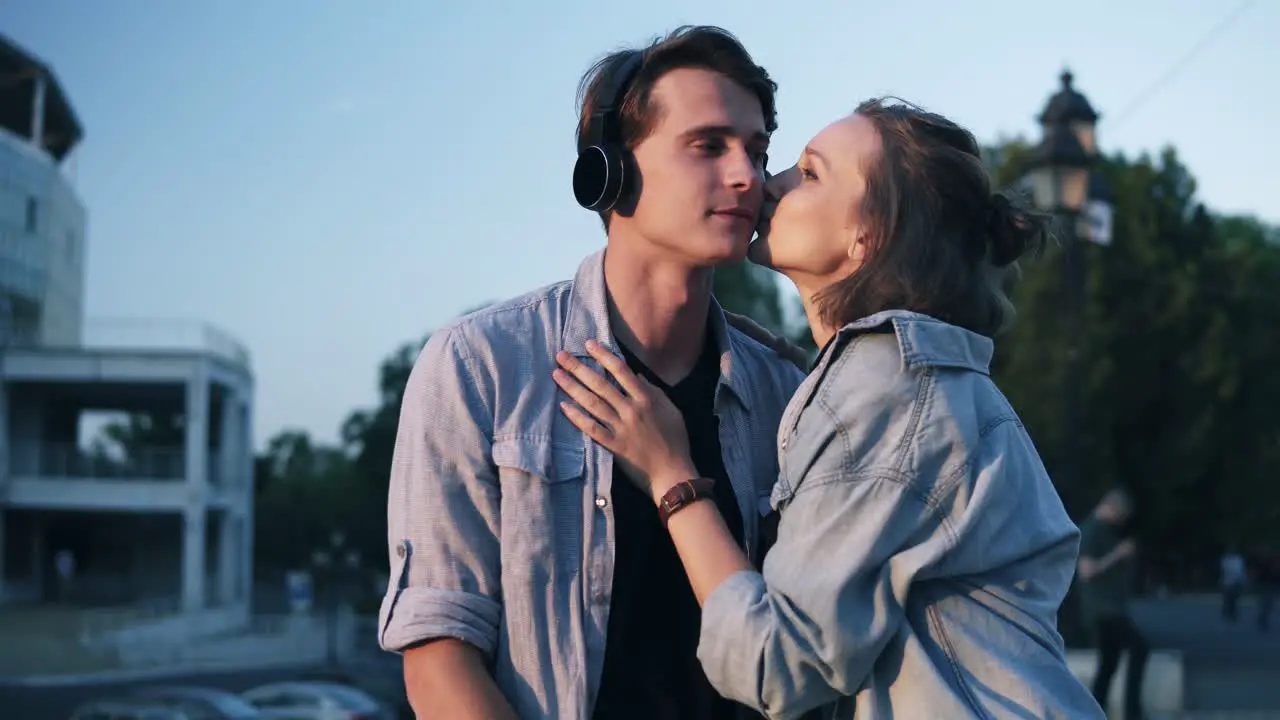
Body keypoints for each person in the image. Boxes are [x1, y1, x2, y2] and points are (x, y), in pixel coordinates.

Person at [552, 99, 1103, 719]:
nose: (768, 181)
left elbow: (777, 665)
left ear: (868, 235)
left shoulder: (885, 394)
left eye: (809, 173)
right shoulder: (902, 382)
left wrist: (670, 474)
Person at [377, 26, 806, 720]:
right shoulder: (479, 367)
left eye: (758, 152)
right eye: (709, 146)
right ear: (611, 171)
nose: (747, 176)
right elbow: (439, 657)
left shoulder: (788, 391)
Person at [1077, 489, 1148, 719]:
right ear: (1112, 508)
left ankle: (1096, 711)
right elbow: (1086, 571)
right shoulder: (1091, 531)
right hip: (1103, 611)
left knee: (1108, 665)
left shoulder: (1107, 531)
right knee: (1139, 648)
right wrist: (1117, 555)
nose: (1121, 522)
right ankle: (1132, 712)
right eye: (1121, 516)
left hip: (1111, 609)